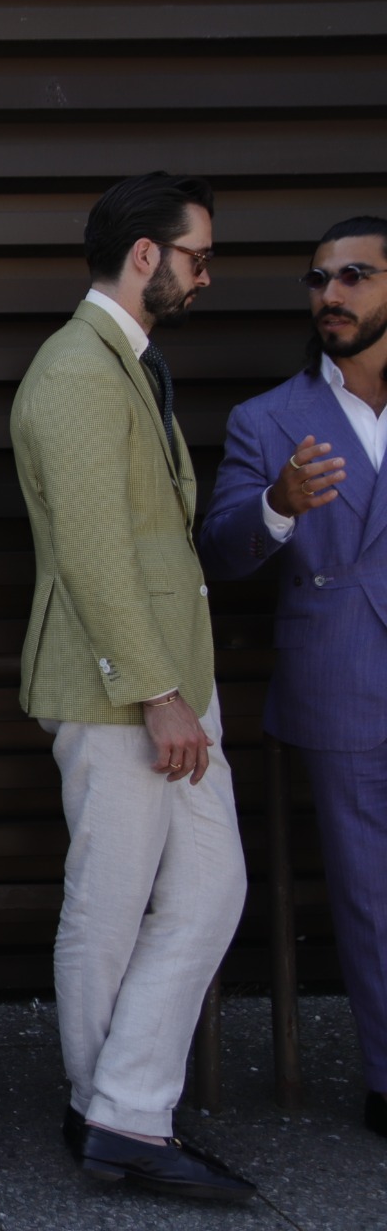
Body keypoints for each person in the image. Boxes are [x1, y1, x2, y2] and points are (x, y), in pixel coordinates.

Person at [10, 172, 255, 1200]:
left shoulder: (126, 361)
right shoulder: (77, 369)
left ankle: (120, 1102)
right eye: (198, 256)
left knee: (211, 887)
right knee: (108, 903)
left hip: (169, 678)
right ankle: (114, 1114)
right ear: (146, 254)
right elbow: (94, 550)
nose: (206, 275)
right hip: (120, 687)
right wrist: (157, 692)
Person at [197, 214, 387, 1142]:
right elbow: (220, 549)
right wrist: (277, 504)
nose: (330, 295)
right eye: (318, 279)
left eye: (354, 276)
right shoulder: (267, 419)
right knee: (369, 892)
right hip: (340, 674)